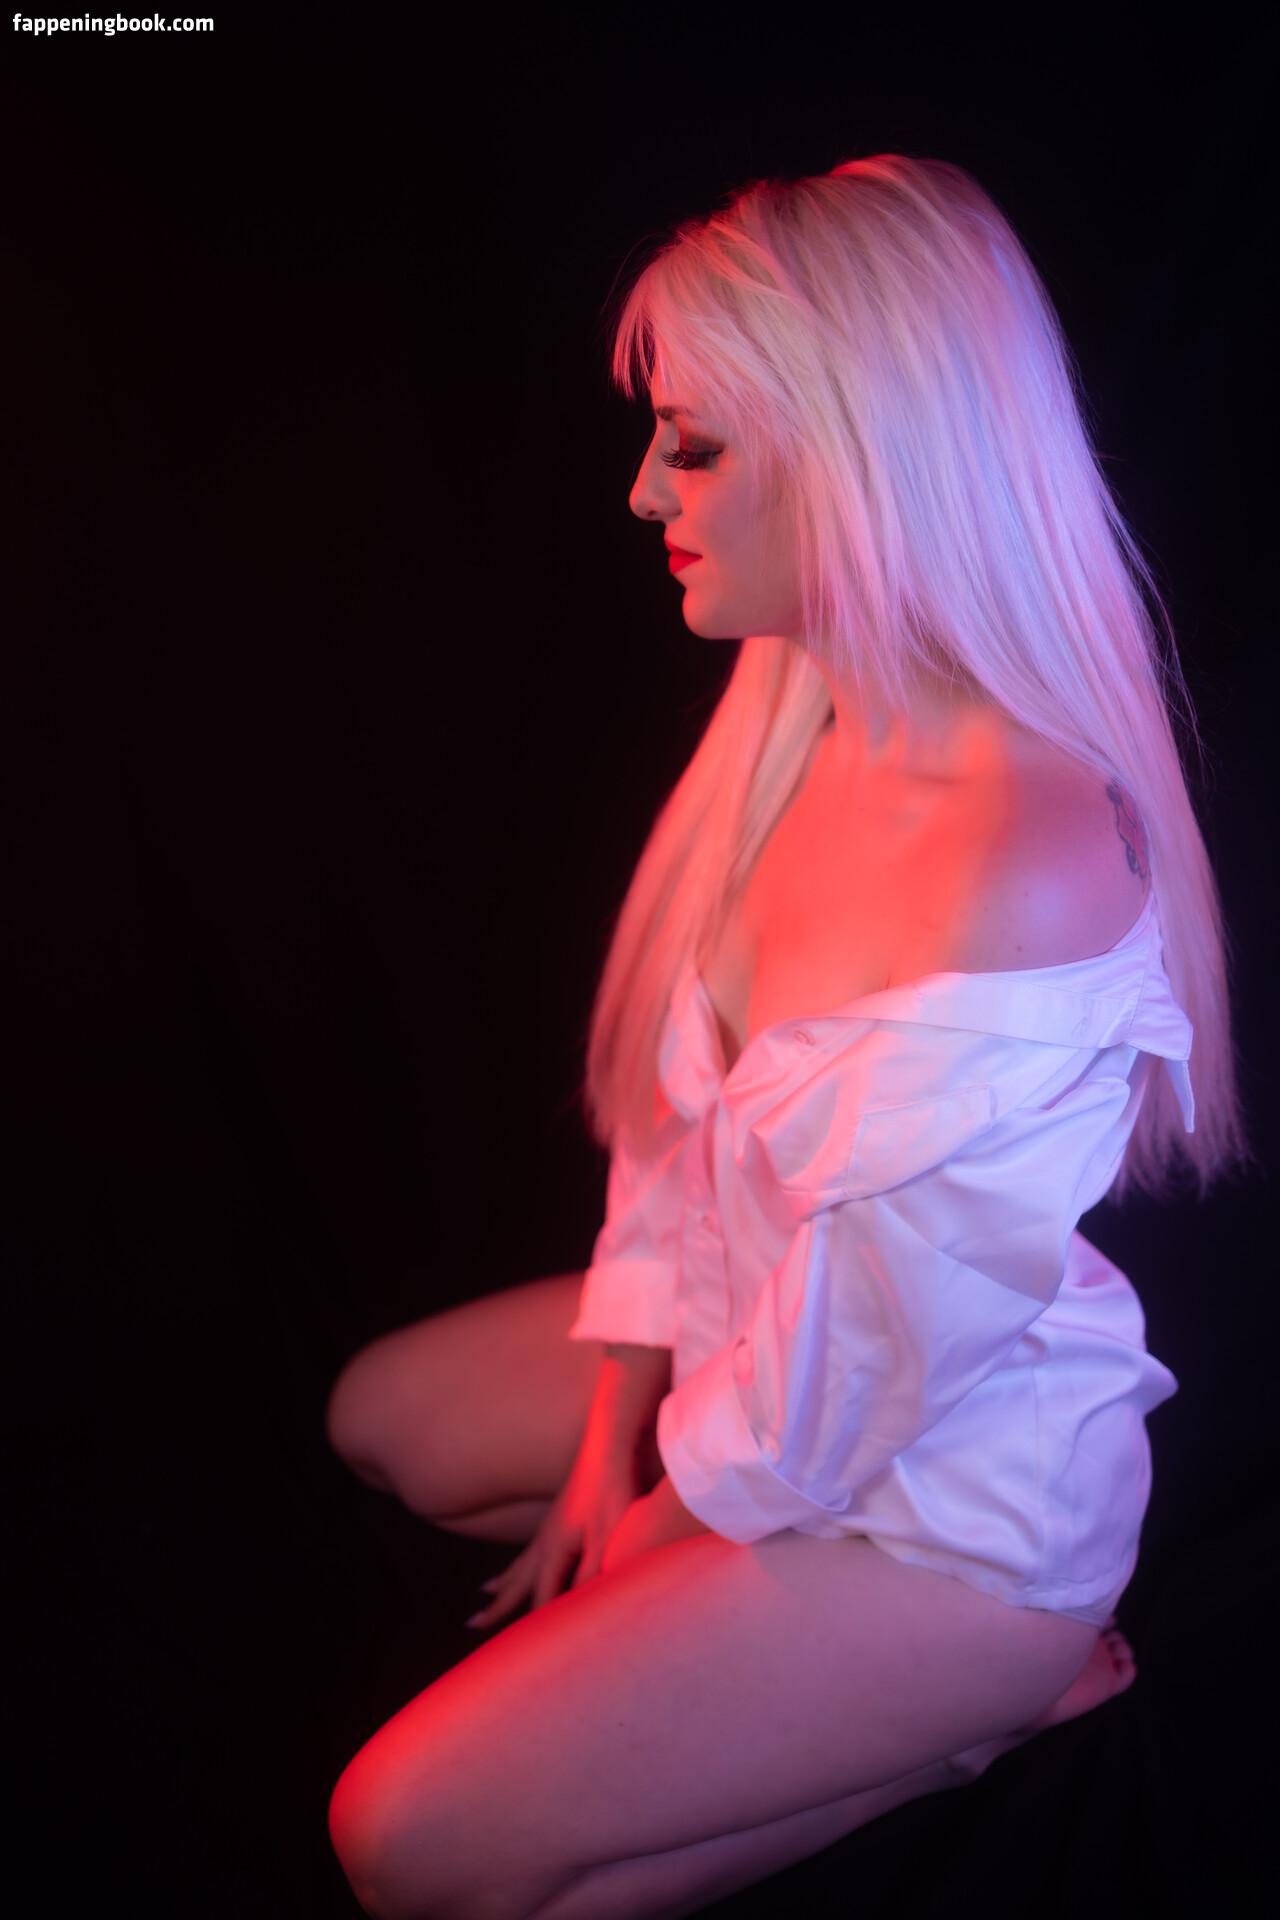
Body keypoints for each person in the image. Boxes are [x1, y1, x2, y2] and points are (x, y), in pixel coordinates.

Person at [324, 156, 1241, 1919]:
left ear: (863, 455)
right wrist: (619, 1419)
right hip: (774, 1354)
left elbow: (865, 1377)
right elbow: (684, 1143)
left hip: (941, 1511)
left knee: (405, 1844)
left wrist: (646, 1535)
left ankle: (982, 1707)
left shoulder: (1024, 852)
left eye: (696, 446)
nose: (641, 489)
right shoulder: (797, 718)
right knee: (387, 1422)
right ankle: (837, 1688)